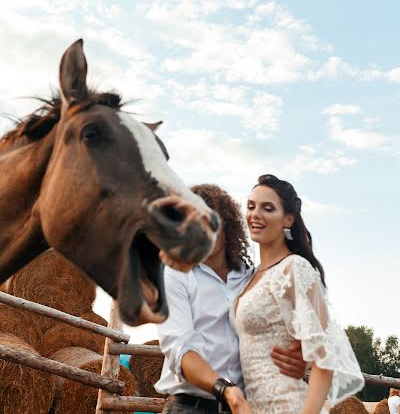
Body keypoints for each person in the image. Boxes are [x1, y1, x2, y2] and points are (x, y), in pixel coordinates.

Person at [154, 184, 308, 414]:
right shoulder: (175, 274)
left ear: (228, 226)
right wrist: (226, 390)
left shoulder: (251, 278)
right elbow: (181, 350)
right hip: (190, 408)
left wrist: (298, 355)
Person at [231, 174, 364, 413]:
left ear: (288, 219)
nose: (255, 214)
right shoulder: (249, 277)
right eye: (251, 206)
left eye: (268, 208)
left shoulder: (294, 268)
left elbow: (325, 358)